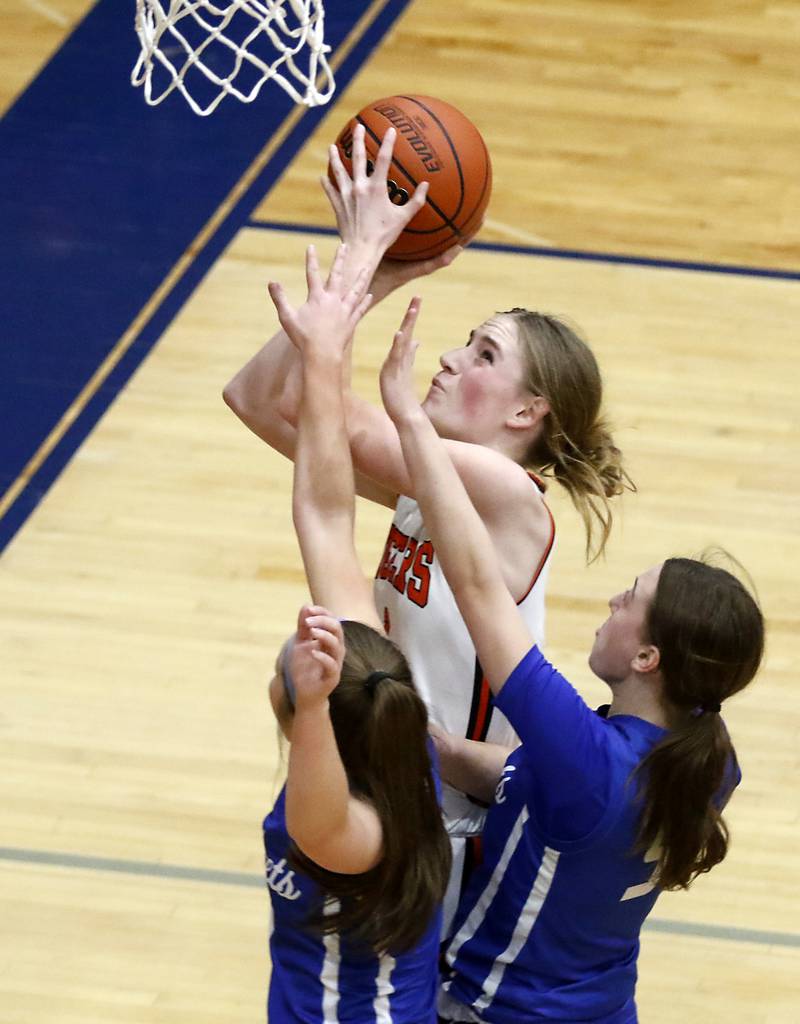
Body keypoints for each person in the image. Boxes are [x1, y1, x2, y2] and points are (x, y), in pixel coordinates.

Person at [224, 124, 631, 932]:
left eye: (482, 355)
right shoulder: (430, 493)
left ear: (527, 412)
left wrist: (362, 257)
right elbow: (260, 398)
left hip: (450, 829)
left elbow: (327, 405)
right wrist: (378, 271)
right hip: (389, 789)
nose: (447, 357)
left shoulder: (505, 492)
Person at [377, 300, 765, 1023]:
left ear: (648, 657)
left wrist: (406, 417)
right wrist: (425, 745)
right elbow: (522, 780)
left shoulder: (585, 753)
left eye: (631, 601)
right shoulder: (705, 757)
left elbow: (478, 588)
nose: (612, 601)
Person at [262, 246, 450, 1023]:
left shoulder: (346, 833)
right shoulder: (389, 719)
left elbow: (315, 739)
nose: (301, 645)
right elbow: (325, 515)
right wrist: (326, 348)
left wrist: (308, 707)